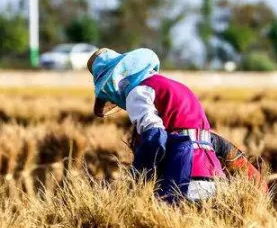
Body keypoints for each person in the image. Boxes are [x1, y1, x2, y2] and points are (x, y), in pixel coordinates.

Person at [89, 47, 225, 202]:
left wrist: (138, 180)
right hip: (214, 175)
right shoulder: (178, 87)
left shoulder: (138, 92)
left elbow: (155, 137)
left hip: (184, 175)